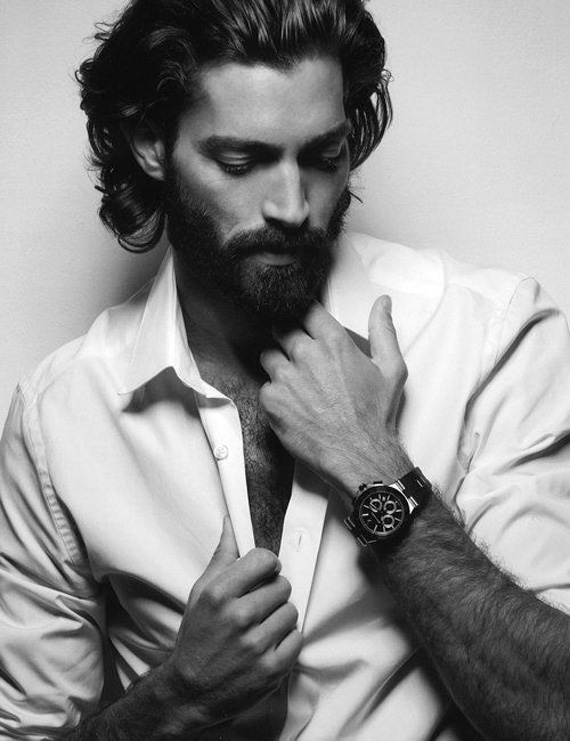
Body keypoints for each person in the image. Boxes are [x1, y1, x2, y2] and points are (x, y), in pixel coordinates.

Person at [0, 0, 569, 738]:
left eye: (324, 157)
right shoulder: (61, 418)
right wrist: (173, 701)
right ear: (150, 143)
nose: (295, 207)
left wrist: (377, 471)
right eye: (241, 163)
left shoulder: (488, 337)